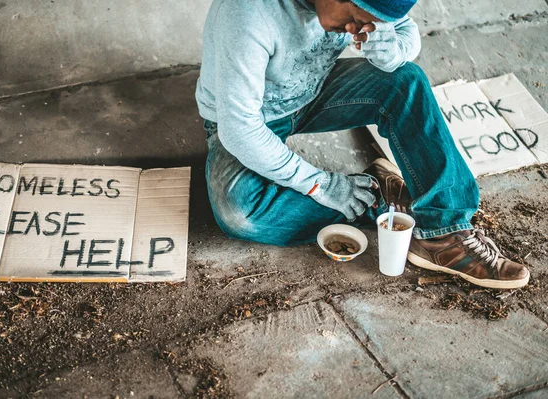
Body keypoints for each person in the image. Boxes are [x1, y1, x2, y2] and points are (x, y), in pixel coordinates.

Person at [195, 0, 530, 289]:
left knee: (405, 80)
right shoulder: (248, 13)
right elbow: (240, 130)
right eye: (356, 15)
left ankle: (444, 231)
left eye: (369, 22)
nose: (356, 28)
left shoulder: (364, 7)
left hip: (312, 95)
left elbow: (405, 28)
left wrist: (396, 49)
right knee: (240, 213)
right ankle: (378, 200)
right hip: (248, 118)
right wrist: (322, 184)